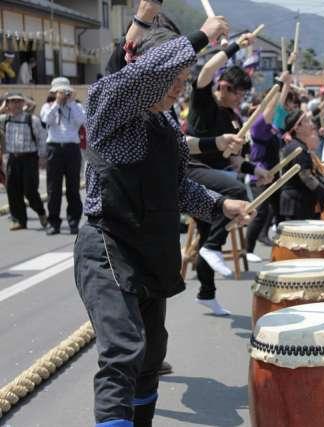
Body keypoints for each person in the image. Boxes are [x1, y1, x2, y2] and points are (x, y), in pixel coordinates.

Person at [74, 2, 253, 425]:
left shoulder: (167, 125)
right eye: (173, 78)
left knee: (151, 357)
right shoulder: (109, 104)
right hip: (108, 245)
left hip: (150, 247)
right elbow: (143, 72)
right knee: (123, 352)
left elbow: (175, 187)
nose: (179, 87)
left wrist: (218, 206)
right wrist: (203, 37)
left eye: (183, 79)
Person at [186, 41, 272, 315]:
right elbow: (207, 70)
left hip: (215, 175)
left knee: (205, 234)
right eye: (237, 94)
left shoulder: (233, 118)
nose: (240, 99)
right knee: (235, 192)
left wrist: (256, 170)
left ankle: (206, 293)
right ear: (223, 86)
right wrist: (236, 46)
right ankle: (213, 247)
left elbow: (234, 159)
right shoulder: (204, 102)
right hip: (193, 170)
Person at [246, 73, 293, 261]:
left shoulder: (273, 127)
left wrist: (286, 85)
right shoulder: (257, 127)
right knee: (260, 212)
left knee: (278, 210)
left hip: (273, 175)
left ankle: (280, 244)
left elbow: (279, 106)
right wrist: (279, 84)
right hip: (259, 175)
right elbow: (273, 105)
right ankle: (247, 250)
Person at [41, 77, 86, 235]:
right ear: (53, 93)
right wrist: (57, 103)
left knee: (73, 187)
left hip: (72, 149)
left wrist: (71, 102)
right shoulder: (47, 106)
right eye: (59, 92)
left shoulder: (76, 106)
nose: (62, 95)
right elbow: (47, 120)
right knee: (53, 189)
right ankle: (53, 222)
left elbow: (81, 120)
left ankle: (74, 221)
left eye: (64, 92)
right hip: (54, 148)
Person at [0, 92, 47, 230]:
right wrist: (3, 108)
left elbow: (41, 139)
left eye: (18, 101)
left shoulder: (31, 119)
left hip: (30, 158)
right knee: (12, 190)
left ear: (23, 103)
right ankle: (20, 220)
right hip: (13, 159)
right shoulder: (4, 119)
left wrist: (42, 157)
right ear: (7, 104)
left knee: (30, 190)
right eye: (12, 101)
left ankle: (41, 212)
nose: (15, 104)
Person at [280, 110, 324, 220]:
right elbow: (306, 177)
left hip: (300, 203)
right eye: (307, 121)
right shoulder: (297, 148)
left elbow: (311, 174)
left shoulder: (299, 146)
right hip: (297, 204)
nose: (312, 124)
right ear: (298, 128)